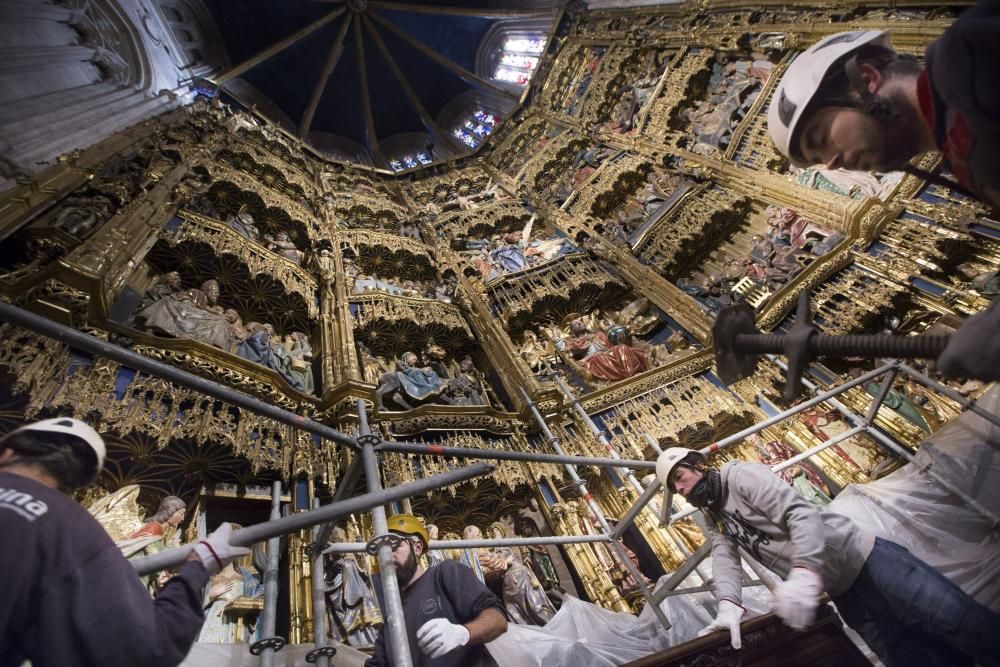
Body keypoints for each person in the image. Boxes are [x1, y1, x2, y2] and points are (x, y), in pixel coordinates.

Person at [766, 20, 1000, 381]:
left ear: (866, 80)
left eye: (820, 138)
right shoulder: (956, 152)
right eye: (817, 161)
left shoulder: (969, 59)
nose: (831, 163)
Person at [655, 447, 1000, 666]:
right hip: (843, 590)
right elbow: (724, 556)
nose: (683, 490)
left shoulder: (740, 476)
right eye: (676, 489)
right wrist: (729, 603)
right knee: (908, 658)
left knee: (961, 622)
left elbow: (798, 514)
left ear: (699, 464)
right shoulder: (715, 515)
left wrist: (804, 571)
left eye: (681, 478)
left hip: (868, 561)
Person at [0, 417, 249, 666]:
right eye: (180, 514)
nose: (181, 519)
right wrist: (197, 566)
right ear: (78, 482)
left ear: (6, 453)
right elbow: (144, 647)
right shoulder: (75, 528)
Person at [365, 513, 508, 667]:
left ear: (418, 548)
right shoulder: (392, 610)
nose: (387, 556)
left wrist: (462, 633)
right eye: (381, 552)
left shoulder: (445, 573)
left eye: (394, 546)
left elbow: (497, 619)